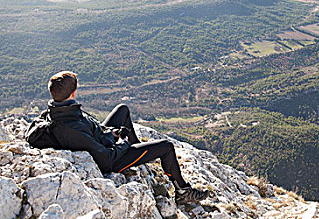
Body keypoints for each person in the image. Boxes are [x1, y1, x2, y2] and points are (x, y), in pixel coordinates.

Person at [44, 70, 209, 204]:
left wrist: (110, 133)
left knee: (122, 110)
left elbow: (91, 133)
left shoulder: (57, 111)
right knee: (166, 147)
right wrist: (123, 143)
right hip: (111, 160)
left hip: (101, 142)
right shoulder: (71, 126)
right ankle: (183, 191)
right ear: (73, 93)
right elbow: (105, 159)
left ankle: (139, 151)